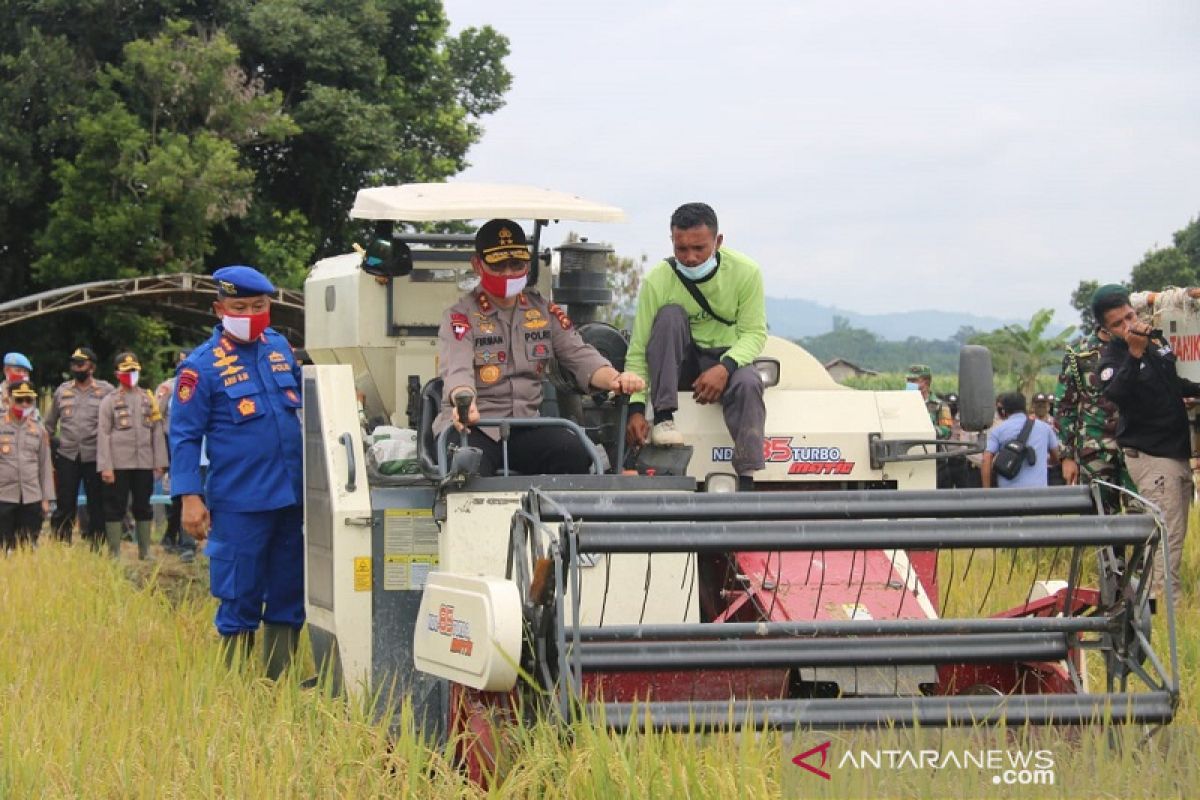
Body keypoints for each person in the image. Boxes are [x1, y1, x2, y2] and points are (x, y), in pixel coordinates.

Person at [170, 265, 306, 677]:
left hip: (292, 496)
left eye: (259, 305)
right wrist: (190, 498)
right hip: (240, 501)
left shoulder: (280, 348)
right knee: (239, 592)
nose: (250, 313)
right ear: (219, 309)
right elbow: (184, 438)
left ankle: (276, 680)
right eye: (240, 306)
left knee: (289, 590)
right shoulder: (201, 367)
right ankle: (234, 690)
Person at [436, 219, 644, 476]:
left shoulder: (543, 310)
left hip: (525, 427)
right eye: (498, 265)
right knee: (466, 465)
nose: (508, 273)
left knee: (573, 451)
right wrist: (463, 402)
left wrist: (616, 379)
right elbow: (457, 371)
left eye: (517, 264)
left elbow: (578, 353)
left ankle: (560, 515)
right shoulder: (460, 316)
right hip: (474, 426)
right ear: (477, 265)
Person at [623, 203, 767, 487]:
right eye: (681, 249)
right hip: (681, 362)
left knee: (749, 383)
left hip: (727, 358)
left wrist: (724, 368)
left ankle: (747, 479)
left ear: (718, 242)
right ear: (672, 242)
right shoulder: (658, 281)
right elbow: (638, 349)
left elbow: (754, 334)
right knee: (669, 315)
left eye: (699, 249)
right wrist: (636, 409)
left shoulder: (746, 272)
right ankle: (664, 418)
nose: (689, 258)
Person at [1093, 283, 1200, 605]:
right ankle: (1164, 607)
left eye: (1129, 316)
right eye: (1118, 323)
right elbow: (1116, 394)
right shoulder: (1112, 358)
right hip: (1151, 455)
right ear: (1105, 329)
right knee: (1166, 536)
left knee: (1175, 534)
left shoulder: (1156, 342)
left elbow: (1173, 383)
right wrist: (1135, 353)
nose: (1128, 326)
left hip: (1175, 450)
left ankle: (1163, 603)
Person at [97, 352, 167, 559]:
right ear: (117, 374)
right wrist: (105, 466)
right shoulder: (109, 401)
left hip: (144, 462)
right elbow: (103, 433)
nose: (131, 374)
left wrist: (160, 462)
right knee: (115, 506)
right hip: (118, 462)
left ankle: (144, 550)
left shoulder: (148, 398)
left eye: (134, 370)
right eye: (126, 371)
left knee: (143, 505)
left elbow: (157, 431)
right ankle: (115, 552)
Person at [1054, 330, 1130, 514]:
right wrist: (1067, 457)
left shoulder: (1138, 345)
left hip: (1137, 445)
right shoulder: (1080, 352)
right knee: (1100, 513)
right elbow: (1065, 406)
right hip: (1095, 449)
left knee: (1143, 513)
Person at [44, 347, 114, 546]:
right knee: (65, 503)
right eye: (74, 363)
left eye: (81, 363)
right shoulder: (62, 391)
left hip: (94, 456)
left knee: (96, 504)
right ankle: (60, 542)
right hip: (68, 455)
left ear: (91, 366)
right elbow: (49, 426)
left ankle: (97, 543)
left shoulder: (106, 390)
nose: (76, 367)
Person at [0, 380, 54, 551]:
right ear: (9, 399)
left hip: (31, 496)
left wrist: (46, 499)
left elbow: (45, 467)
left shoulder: (39, 431)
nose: (24, 404)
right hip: (4, 496)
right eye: (20, 399)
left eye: (28, 400)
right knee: (4, 547)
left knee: (28, 546)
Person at [155, 351, 196, 561]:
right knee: (175, 493)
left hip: (197, 449)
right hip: (172, 445)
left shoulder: (202, 383)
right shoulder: (168, 387)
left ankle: (183, 540)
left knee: (191, 493)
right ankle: (174, 537)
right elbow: (156, 417)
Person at [982, 392, 1060, 489]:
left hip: (1008, 495)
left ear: (1004, 410)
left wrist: (986, 490)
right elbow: (1056, 457)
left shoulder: (998, 431)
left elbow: (986, 459)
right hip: (1038, 494)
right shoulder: (1045, 428)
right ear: (1025, 407)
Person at [0, 352, 35, 418]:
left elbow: (35, 420)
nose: (22, 374)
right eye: (18, 371)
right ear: (6, 371)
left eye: (25, 371)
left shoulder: (29, 395)